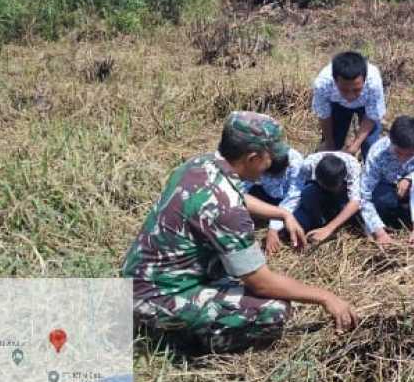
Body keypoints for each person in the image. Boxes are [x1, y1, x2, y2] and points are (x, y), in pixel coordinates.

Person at [122, 111, 358, 354]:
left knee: (232, 277)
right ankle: (191, 342)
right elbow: (261, 283)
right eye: (269, 158)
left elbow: (235, 197)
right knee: (274, 310)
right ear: (253, 158)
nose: (271, 164)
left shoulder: (199, 165)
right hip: (157, 296)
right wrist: (326, 297)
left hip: (140, 278)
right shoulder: (228, 212)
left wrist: (282, 214)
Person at [360, 115, 414, 245]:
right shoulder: (377, 153)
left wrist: (410, 178)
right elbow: (364, 195)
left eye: (410, 154)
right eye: (398, 153)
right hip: (388, 189)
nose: (403, 158)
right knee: (383, 202)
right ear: (391, 140)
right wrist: (379, 233)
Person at [312, 51, 385, 159]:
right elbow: (324, 114)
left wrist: (355, 145)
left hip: (365, 105)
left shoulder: (373, 83)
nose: (350, 96)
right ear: (335, 81)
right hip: (338, 104)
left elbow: (372, 115)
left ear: (364, 80)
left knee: (370, 145)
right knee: (332, 145)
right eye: (344, 90)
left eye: (356, 90)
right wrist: (329, 143)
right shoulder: (323, 84)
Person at [283, 151, 363, 244]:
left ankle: (333, 220)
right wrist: (279, 224)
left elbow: (355, 202)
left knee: (351, 211)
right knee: (307, 194)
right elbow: (294, 193)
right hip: (316, 191)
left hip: (343, 196)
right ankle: (319, 221)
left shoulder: (353, 167)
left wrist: (328, 229)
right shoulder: (308, 164)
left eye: (332, 188)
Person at [240, 147, 304, 255]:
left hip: (285, 200)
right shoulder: (255, 160)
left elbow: (293, 197)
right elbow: (242, 187)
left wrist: (273, 228)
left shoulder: (297, 163)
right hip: (266, 193)